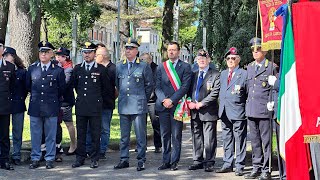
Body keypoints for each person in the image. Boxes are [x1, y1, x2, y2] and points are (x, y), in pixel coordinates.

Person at [114, 38, 153, 171]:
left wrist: (142, 98)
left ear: (137, 51)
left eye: (131, 49)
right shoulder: (119, 66)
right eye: (126, 48)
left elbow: (149, 85)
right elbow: (117, 84)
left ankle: (141, 160)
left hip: (138, 106)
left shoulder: (143, 66)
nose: (128, 51)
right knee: (124, 136)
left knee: (140, 136)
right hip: (124, 105)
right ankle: (124, 159)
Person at [26, 41, 66, 169]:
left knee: (50, 135)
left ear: (51, 54)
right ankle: (35, 158)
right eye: (41, 52)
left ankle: (50, 158)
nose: (43, 54)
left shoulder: (58, 70)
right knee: (36, 135)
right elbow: (28, 86)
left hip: (51, 106)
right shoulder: (32, 69)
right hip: (35, 106)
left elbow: (61, 89)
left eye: (46, 52)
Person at [71, 42, 110, 169]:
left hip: (95, 106)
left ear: (94, 54)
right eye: (85, 52)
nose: (87, 55)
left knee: (95, 133)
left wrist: (97, 100)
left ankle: (94, 158)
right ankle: (80, 157)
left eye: (89, 52)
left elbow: (105, 89)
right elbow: (75, 85)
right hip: (82, 105)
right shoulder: (77, 69)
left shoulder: (101, 69)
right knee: (81, 133)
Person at [155, 42, 192, 171]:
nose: (171, 52)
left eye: (173, 50)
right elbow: (157, 86)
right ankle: (165, 161)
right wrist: (164, 99)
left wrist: (172, 100)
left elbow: (185, 87)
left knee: (176, 135)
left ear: (178, 51)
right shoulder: (161, 67)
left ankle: (174, 161)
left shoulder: (186, 67)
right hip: (163, 105)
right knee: (164, 134)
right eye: (169, 50)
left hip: (177, 106)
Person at [244, 38, 277, 180]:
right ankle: (256, 167)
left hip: (264, 110)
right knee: (255, 141)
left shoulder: (271, 67)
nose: (255, 52)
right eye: (253, 49)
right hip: (251, 110)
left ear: (264, 50)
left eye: (258, 49)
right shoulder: (250, 67)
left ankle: (266, 169)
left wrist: (273, 103)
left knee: (266, 141)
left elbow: (277, 88)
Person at [216, 47, 248, 176]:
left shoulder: (244, 74)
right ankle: (227, 163)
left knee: (240, 139)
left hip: (238, 111)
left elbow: (246, 93)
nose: (230, 60)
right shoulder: (223, 74)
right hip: (224, 111)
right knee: (227, 139)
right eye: (228, 58)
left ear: (238, 60)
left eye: (233, 58)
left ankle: (240, 165)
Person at [187, 49, 220, 172]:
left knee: (209, 138)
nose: (201, 60)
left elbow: (215, 93)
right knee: (196, 136)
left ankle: (209, 161)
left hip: (208, 111)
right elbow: (189, 91)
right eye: (199, 58)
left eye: (204, 58)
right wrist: (189, 101)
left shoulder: (215, 74)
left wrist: (201, 103)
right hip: (194, 111)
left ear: (209, 60)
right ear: (196, 60)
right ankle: (197, 160)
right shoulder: (193, 74)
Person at [86, 46, 116, 159]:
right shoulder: (93, 67)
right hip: (92, 104)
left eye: (96, 54)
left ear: (101, 56)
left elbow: (116, 88)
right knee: (90, 127)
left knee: (104, 128)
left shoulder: (113, 69)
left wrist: (111, 98)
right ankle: (89, 149)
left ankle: (102, 150)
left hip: (106, 104)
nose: (94, 56)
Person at [3, 47, 28, 166]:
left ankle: (16, 154)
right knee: (4, 131)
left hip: (18, 103)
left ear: (14, 56)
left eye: (8, 55)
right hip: (5, 104)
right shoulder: (3, 69)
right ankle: (4, 154)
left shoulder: (22, 71)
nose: (6, 57)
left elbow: (25, 88)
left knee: (17, 131)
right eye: (5, 55)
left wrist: (20, 98)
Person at [55, 47, 76, 161]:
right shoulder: (57, 67)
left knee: (68, 123)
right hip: (57, 101)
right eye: (57, 55)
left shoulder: (69, 69)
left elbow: (64, 84)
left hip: (65, 101)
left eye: (61, 56)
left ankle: (73, 144)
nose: (58, 58)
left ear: (66, 57)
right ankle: (58, 146)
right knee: (57, 124)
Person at [140, 52, 162, 153]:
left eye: (143, 60)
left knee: (155, 123)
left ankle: (158, 145)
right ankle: (142, 145)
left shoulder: (157, 69)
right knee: (141, 124)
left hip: (153, 101)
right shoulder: (140, 68)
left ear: (149, 60)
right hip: (142, 100)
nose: (141, 62)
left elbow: (156, 84)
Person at [0, 40, 16, 170]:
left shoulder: (10, 67)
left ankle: (4, 160)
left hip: (4, 106)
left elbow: (12, 87)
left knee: (4, 135)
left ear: (3, 49)